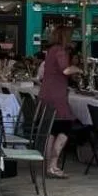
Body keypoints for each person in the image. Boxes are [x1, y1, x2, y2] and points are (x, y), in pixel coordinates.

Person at [39, 26, 84, 178]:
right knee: (65, 126)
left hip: (47, 92)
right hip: (56, 94)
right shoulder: (60, 50)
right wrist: (79, 69)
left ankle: (47, 166)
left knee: (52, 129)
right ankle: (53, 165)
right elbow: (65, 70)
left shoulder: (51, 50)